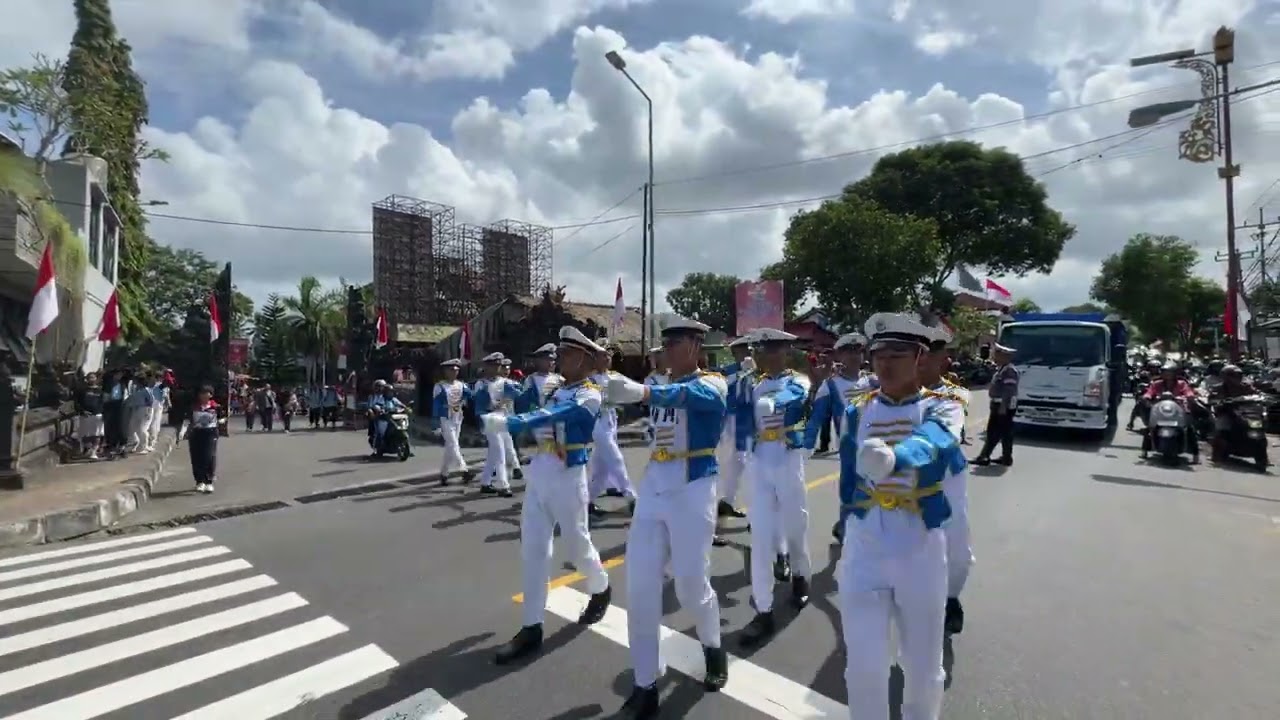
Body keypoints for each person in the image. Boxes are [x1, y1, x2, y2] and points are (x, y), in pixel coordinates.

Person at [837, 312, 962, 720]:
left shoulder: (943, 405)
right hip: (865, 545)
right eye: (878, 355)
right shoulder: (857, 409)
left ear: (920, 357)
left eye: (897, 354)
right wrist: (848, 519)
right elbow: (847, 472)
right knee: (863, 666)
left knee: (923, 666)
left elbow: (938, 443)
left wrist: (896, 456)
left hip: (918, 546)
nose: (885, 364)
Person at [605, 318, 729, 718]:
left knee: (692, 586)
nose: (668, 351)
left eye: (676, 343)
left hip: (693, 490)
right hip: (655, 487)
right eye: (666, 344)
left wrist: (642, 391)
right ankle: (646, 684)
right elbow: (658, 416)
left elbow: (690, 398)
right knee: (640, 588)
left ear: (695, 346)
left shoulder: (713, 383)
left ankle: (712, 645)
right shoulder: (661, 386)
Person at [488, 326, 613, 664]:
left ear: (586, 360)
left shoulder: (590, 394)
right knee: (533, 550)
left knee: (577, 545)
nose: (561, 359)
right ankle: (532, 626)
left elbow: (565, 416)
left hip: (569, 478)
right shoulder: (556, 390)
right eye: (561, 353)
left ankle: (600, 586)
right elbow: (527, 402)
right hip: (541, 473)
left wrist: (522, 420)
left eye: (569, 354)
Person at [734, 327, 814, 646]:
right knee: (761, 535)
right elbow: (735, 408)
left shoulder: (798, 380)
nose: (768, 355)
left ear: (786, 352)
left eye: (775, 350)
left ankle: (800, 576)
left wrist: (772, 403)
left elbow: (795, 398)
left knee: (796, 526)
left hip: (788, 458)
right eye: (763, 350)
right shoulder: (749, 382)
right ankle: (763, 609)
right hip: (759, 462)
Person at [919, 321, 974, 636]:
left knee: (957, 550)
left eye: (932, 354)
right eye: (920, 354)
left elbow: (942, 435)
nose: (924, 360)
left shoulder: (956, 394)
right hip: (908, 480)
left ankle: (951, 598)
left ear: (944, 359)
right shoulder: (892, 393)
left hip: (948, 477)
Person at [805, 332, 876, 543]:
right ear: (840, 356)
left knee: (874, 485)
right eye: (848, 352)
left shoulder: (873, 381)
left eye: (857, 351)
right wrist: (806, 446)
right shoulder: (831, 385)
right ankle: (846, 526)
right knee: (850, 487)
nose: (854, 357)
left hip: (876, 442)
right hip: (849, 444)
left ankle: (861, 525)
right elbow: (817, 416)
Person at [588, 344, 635, 516]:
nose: (607, 358)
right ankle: (631, 497)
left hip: (611, 422)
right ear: (594, 358)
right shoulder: (589, 379)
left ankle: (586, 502)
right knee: (615, 458)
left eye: (608, 355)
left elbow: (632, 389)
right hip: (597, 424)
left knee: (602, 469)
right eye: (602, 355)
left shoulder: (614, 376)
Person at [714, 334, 754, 524]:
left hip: (750, 422)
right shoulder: (727, 371)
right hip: (729, 422)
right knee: (725, 463)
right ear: (734, 352)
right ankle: (718, 502)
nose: (748, 352)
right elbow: (722, 388)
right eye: (742, 349)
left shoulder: (758, 371)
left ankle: (728, 501)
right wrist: (740, 372)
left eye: (749, 348)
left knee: (743, 464)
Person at [473, 353, 520, 497]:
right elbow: (478, 405)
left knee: (495, 452)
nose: (496, 368)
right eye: (493, 365)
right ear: (486, 367)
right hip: (489, 419)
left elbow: (519, 393)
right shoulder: (481, 384)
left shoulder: (505, 382)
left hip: (503, 418)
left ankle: (485, 483)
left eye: (498, 365)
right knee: (499, 450)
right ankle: (503, 485)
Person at [1140, 362, 1199, 462]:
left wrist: (1189, 397)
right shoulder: (1156, 384)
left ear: (1175, 373)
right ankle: (1144, 451)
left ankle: (1195, 455)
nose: (1167, 375)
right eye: (1165, 372)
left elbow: (1188, 392)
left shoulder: (1182, 383)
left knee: (1189, 429)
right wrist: (1147, 398)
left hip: (1178, 409)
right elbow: (1149, 393)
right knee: (1149, 428)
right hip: (1160, 409)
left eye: (1170, 372)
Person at [972, 343, 1019, 466]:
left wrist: (1003, 406)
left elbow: (1008, 390)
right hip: (1000, 405)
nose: (994, 357)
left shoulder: (1009, 371)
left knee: (993, 431)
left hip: (1002, 405)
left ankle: (984, 456)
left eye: (997, 354)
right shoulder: (1002, 369)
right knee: (1005, 432)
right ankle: (1006, 457)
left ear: (1005, 356)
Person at [432, 359, 473, 485]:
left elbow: (470, 395)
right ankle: (464, 470)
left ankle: (444, 474)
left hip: (458, 417)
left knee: (451, 447)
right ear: (445, 371)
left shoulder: (461, 385)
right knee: (454, 444)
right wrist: (435, 424)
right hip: (445, 418)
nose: (454, 373)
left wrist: (465, 400)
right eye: (451, 370)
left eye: (456, 370)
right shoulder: (440, 386)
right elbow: (436, 406)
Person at [189, 385, 223, 494]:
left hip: (210, 433)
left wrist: (221, 421)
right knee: (196, 457)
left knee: (209, 456)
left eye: (206, 393)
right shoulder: (194, 407)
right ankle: (200, 481)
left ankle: (209, 481)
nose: (204, 395)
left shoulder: (215, 407)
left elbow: (222, 418)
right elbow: (188, 420)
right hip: (196, 433)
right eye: (202, 393)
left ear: (211, 395)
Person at [369, 383, 408, 455]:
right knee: (381, 434)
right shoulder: (381, 399)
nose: (390, 393)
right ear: (385, 393)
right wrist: (380, 409)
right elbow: (376, 406)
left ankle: (407, 449)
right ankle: (377, 449)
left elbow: (401, 405)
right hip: (384, 419)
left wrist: (406, 408)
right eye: (389, 392)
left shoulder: (394, 399)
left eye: (391, 392)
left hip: (395, 418)